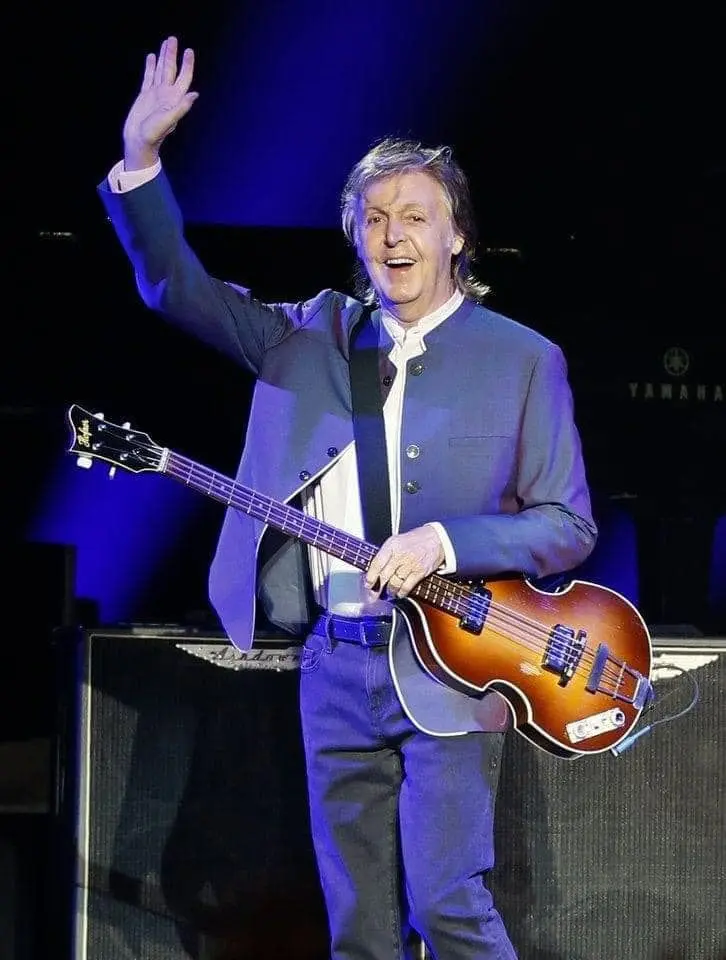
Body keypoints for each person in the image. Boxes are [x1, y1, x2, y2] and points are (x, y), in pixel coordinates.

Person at [98, 35, 598, 960]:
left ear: (457, 236)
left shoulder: (524, 359)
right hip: (334, 660)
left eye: (414, 217)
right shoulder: (308, 336)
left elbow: (567, 525)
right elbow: (176, 289)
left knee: (448, 909)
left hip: (453, 666)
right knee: (356, 931)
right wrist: (142, 159)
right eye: (374, 219)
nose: (393, 235)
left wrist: (445, 541)